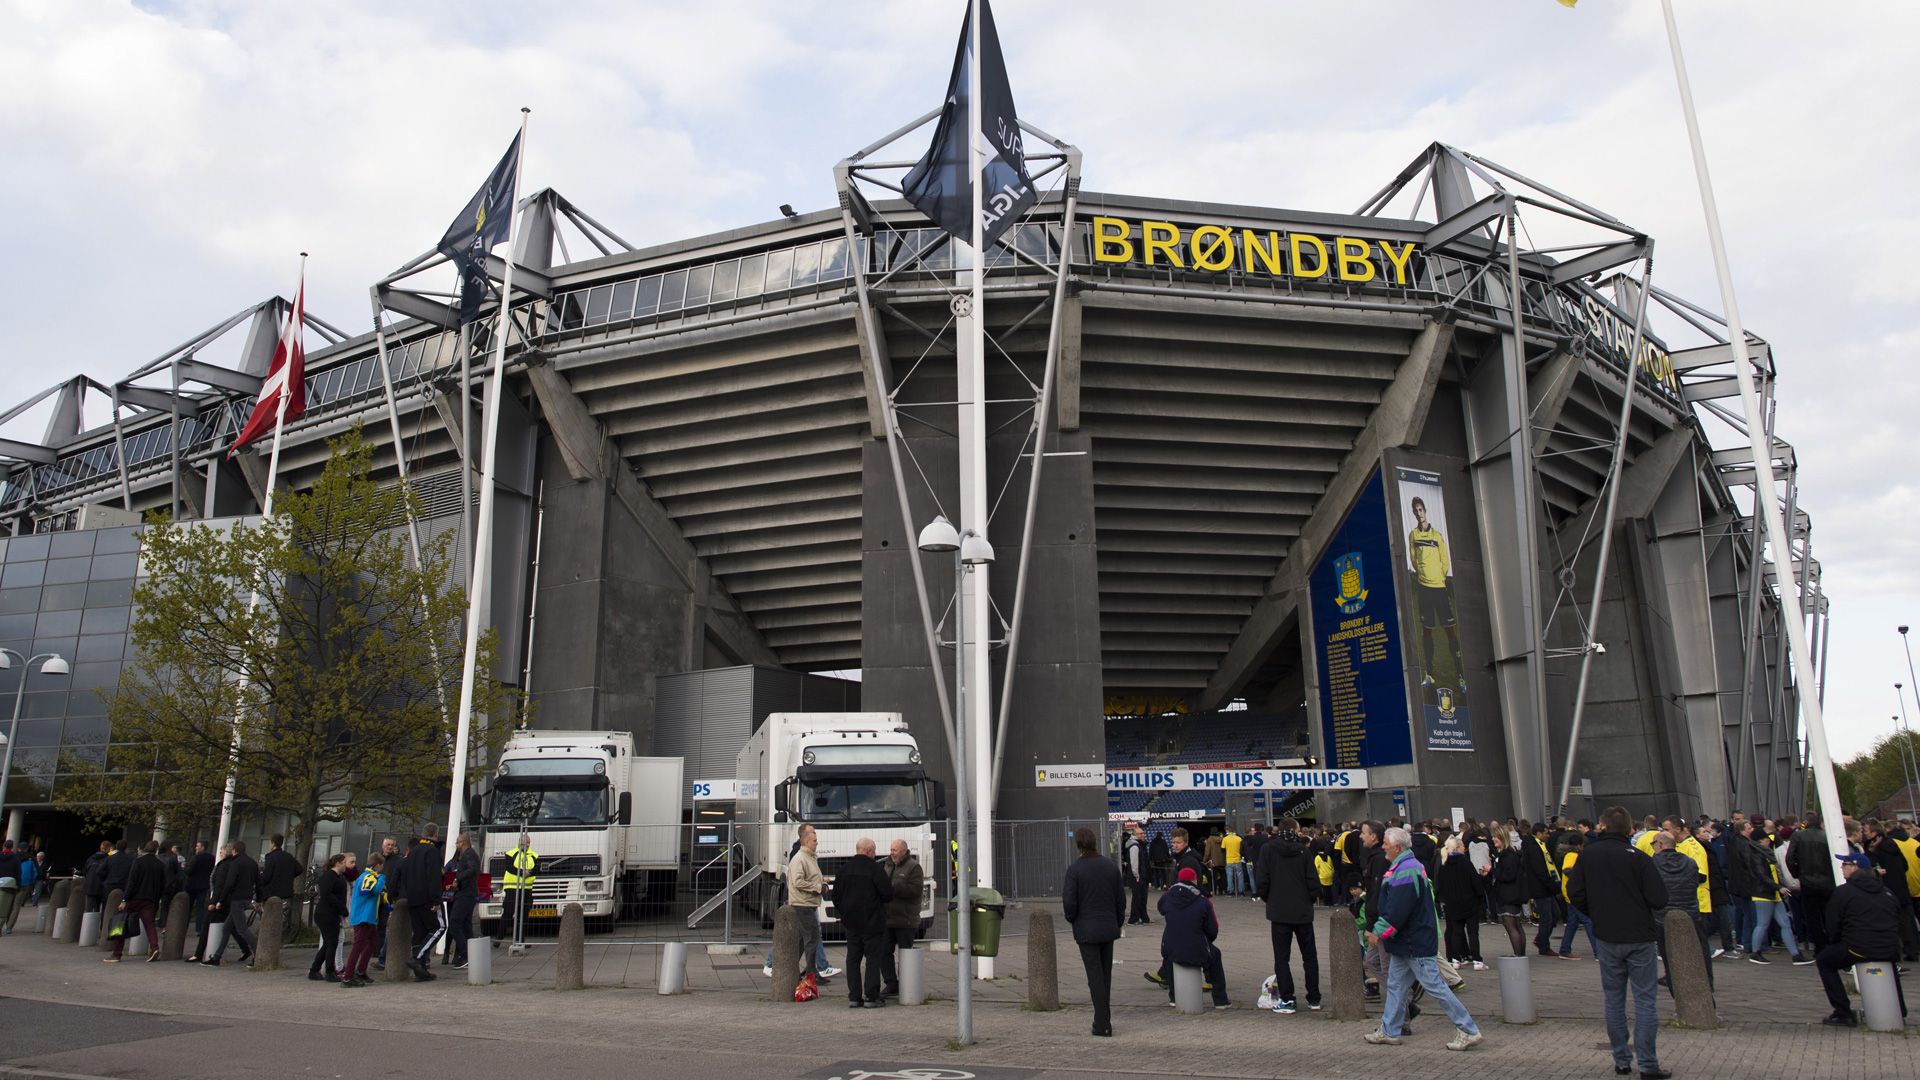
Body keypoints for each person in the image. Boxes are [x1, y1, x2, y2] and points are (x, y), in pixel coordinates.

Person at [1567, 806, 1670, 1080]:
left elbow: (1574, 892)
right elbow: (1659, 898)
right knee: (1645, 999)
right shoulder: (1639, 858)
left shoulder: (1588, 855)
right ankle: (1648, 1063)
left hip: (1607, 934)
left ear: (1602, 826)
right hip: (1639, 935)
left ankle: (1621, 1059)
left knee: (1613, 998)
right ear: (1629, 829)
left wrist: (1595, 912)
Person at [1362, 827, 1482, 1051]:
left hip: (1413, 941)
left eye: (1386, 844)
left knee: (1434, 986)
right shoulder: (1407, 866)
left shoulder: (1405, 870)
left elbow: (1398, 909)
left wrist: (1378, 931)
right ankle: (1389, 1029)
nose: (1383, 847)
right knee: (1396, 985)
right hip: (1408, 941)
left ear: (1397, 847)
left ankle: (1468, 1029)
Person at [1816, 852, 1906, 1026]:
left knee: (1824, 961)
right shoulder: (1886, 891)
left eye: (1845, 865)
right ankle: (1899, 1010)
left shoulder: (1843, 892)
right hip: (1890, 947)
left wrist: (1837, 942)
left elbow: (1833, 925)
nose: (1841, 868)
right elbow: (1898, 918)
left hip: (1858, 947)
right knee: (1888, 963)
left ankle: (1843, 1012)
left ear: (1855, 868)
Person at [1254, 816, 1320, 1014]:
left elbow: (1262, 880)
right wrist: (1309, 899)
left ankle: (1287, 997)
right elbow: (1313, 881)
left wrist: (1270, 899)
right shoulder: (1303, 850)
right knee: (1310, 957)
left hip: (1279, 911)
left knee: (1282, 958)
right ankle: (1314, 997)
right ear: (1295, 830)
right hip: (1302, 911)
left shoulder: (1268, 849)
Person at [1062, 826, 1124, 1036]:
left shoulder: (1075, 870)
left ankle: (1102, 1022)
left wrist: (1073, 919)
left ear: (1078, 845)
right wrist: (1117, 922)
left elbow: (1069, 902)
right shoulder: (1110, 867)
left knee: (1094, 976)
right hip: (1108, 927)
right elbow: (1120, 900)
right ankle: (1103, 1020)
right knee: (1105, 975)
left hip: (1087, 929)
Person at [1407, 496, 1465, 692]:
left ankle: (1461, 676)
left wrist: (1438, 578)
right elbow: (1414, 560)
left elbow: (1445, 560)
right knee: (1427, 631)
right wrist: (1424, 575)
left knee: (1450, 631)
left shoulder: (1437, 535)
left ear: (1425, 511)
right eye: (1415, 511)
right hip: (1424, 589)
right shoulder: (1413, 535)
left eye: (1420, 510)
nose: (1418, 513)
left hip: (1439, 588)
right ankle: (1430, 674)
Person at [829, 837, 893, 1008]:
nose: (875, 854)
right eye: (874, 850)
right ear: (869, 851)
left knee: (852, 959)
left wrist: (845, 912)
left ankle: (854, 997)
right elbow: (887, 894)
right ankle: (871, 996)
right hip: (872, 922)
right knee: (873, 959)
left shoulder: (844, 870)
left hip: (851, 922)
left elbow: (835, 896)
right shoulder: (876, 869)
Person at [1158, 867, 1231, 1009]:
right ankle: (1220, 1000)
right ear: (1195, 880)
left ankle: (1174, 997)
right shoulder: (1203, 901)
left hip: (1170, 946)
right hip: (1196, 947)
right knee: (1215, 955)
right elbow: (1212, 930)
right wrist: (1206, 940)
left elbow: (1161, 909)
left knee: (1171, 956)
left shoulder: (1167, 897)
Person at [1650, 833, 1712, 992]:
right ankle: (1707, 982)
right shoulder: (1690, 862)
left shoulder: (1653, 863)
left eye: (1653, 844)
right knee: (1699, 949)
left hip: (1663, 915)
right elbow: (1695, 882)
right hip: (1690, 912)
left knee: (1668, 953)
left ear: (1660, 844)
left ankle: (1674, 983)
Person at [1744, 826, 1804, 964]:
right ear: (1760, 841)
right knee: (1763, 924)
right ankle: (1755, 953)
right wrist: (1779, 887)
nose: (1769, 841)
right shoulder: (1757, 855)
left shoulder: (1762, 853)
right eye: (1766, 839)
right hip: (1764, 894)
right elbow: (1762, 876)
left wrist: (1778, 887)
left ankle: (1795, 955)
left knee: (1784, 924)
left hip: (1772, 893)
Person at [396, 824, 445, 980]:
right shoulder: (432, 851)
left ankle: (421, 970)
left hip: (412, 898)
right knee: (439, 927)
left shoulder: (413, 851)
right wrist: (436, 899)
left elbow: (405, 874)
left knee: (419, 932)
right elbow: (433, 877)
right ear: (435, 834)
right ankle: (417, 957)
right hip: (427, 898)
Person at [106, 841, 166, 963]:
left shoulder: (138, 862)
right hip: (150, 899)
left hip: (135, 898)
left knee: (122, 923)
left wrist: (124, 899)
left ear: (145, 849)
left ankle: (117, 954)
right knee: (149, 925)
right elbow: (162, 884)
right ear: (156, 850)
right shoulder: (160, 865)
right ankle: (154, 947)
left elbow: (132, 882)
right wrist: (157, 898)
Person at [203, 840, 259, 967]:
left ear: (234, 851)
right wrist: (259, 899)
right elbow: (258, 881)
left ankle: (258, 952)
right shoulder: (252, 863)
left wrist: (221, 900)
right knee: (227, 928)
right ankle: (217, 956)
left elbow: (229, 884)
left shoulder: (235, 863)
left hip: (236, 899)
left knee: (242, 929)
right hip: (247, 897)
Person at [879, 838, 924, 999]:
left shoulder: (914, 867)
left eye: (895, 850)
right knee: (884, 952)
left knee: (905, 954)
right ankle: (891, 983)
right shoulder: (887, 864)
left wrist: (893, 887)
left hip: (906, 919)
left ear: (904, 851)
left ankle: (906, 984)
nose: (892, 853)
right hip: (888, 918)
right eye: (891, 849)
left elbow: (916, 890)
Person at [1786, 812, 1834, 955]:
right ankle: (1830, 942)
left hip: (1807, 880)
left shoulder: (1798, 836)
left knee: (1812, 915)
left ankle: (1819, 945)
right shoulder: (1827, 837)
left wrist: (1797, 873)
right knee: (1828, 913)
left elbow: (1790, 858)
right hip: (1827, 881)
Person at [1435, 836, 1485, 970]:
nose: (1465, 848)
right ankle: (1477, 960)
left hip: (1453, 904)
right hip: (1469, 902)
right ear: (1457, 848)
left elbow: (1441, 885)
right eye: (1462, 845)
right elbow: (1475, 882)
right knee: (1473, 932)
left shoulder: (1444, 864)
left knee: (1456, 932)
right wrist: (1480, 896)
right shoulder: (1466, 863)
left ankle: (1455, 959)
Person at [787, 824, 825, 987]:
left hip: (807, 903)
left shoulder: (810, 857)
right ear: (807, 841)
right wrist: (817, 887)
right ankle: (810, 972)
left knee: (805, 939)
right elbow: (798, 881)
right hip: (802, 904)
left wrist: (821, 882)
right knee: (812, 937)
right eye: (814, 840)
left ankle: (797, 970)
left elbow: (809, 877)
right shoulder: (800, 858)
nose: (817, 843)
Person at [342, 852, 384, 987]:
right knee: (358, 947)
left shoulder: (366, 876)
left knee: (372, 943)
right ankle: (348, 976)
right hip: (363, 917)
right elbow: (372, 890)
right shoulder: (369, 877)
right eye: (381, 866)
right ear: (377, 865)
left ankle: (361, 970)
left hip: (368, 917)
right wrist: (381, 880)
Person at [310, 852, 351, 982]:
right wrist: (342, 908)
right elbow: (327, 894)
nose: (345, 866)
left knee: (329, 943)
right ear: (337, 863)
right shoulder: (329, 876)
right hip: (326, 914)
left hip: (332, 913)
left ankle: (315, 970)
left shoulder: (339, 877)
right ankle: (329, 972)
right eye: (343, 863)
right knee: (331, 943)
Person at [1557, 831, 1598, 959]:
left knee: (1572, 923)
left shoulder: (1571, 855)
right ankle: (1598, 952)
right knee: (1588, 921)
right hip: (1574, 893)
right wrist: (1582, 875)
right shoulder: (1572, 855)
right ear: (1579, 845)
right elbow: (1567, 870)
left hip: (1570, 893)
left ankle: (1564, 949)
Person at [1488, 830, 1528, 957]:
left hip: (1509, 895)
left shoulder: (1508, 856)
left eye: (1496, 837)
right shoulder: (1506, 854)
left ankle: (1518, 955)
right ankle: (1520, 955)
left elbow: (1508, 876)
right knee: (1516, 925)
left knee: (1511, 926)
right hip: (1511, 894)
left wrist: (1492, 870)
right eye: (1493, 837)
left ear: (1502, 838)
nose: (1493, 839)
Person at [444, 833, 481, 970]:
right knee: (466, 925)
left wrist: (457, 879)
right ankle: (470, 956)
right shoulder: (469, 854)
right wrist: (456, 885)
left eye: (457, 842)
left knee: (454, 923)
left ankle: (464, 953)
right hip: (466, 892)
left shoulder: (468, 854)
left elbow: (473, 870)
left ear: (463, 843)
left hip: (465, 895)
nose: (456, 845)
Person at [493, 831, 536, 946]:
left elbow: (536, 869)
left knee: (523, 915)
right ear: (519, 842)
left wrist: (529, 873)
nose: (526, 845)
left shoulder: (534, 855)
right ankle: (499, 939)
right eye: (524, 843)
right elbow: (509, 868)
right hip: (512, 887)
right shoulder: (511, 854)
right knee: (508, 913)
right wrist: (522, 872)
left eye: (528, 843)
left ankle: (520, 940)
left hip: (526, 888)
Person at [257, 833, 301, 936]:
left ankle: (268, 933)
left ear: (272, 843)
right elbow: (299, 869)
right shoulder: (288, 856)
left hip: (272, 891)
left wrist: (259, 882)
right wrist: (288, 877)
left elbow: (267, 876)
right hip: (286, 890)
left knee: (268, 913)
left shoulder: (270, 857)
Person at [182, 841, 215, 962]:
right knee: (201, 907)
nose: (196, 848)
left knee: (189, 907)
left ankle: (184, 926)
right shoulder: (211, 858)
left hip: (192, 885)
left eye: (198, 846)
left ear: (203, 847)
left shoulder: (195, 858)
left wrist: (185, 868)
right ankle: (199, 928)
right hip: (203, 885)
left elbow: (189, 871)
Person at [1120, 821, 1150, 925]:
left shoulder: (1138, 845)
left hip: (1139, 875)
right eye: (1140, 833)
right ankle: (1134, 919)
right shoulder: (1135, 846)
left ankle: (1142, 917)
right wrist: (1137, 875)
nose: (1143, 835)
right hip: (1137, 876)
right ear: (1135, 835)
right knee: (1137, 897)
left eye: (1143, 833)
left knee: (1141, 897)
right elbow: (1134, 863)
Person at [82, 840, 110, 912]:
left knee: (88, 909)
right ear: (108, 849)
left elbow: (85, 871)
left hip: (90, 886)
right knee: (99, 909)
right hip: (101, 886)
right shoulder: (108, 859)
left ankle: (87, 919)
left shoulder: (90, 858)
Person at [0, 840, 22, 933]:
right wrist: (18, 885)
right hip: (9, 886)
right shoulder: (15, 858)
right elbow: (18, 873)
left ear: (3, 846)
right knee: (4, 908)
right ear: (12, 847)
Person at [1221, 826, 1245, 897]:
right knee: (1240, 876)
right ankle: (1241, 892)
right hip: (1237, 859)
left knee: (1229, 876)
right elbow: (1242, 848)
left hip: (1229, 860)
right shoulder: (1239, 838)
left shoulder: (1225, 839)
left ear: (1227, 831)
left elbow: (1222, 849)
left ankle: (1230, 892)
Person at [1204, 830, 1226, 896]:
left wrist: (1204, 860)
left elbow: (1207, 852)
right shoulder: (1222, 839)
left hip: (1214, 862)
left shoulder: (1209, 840)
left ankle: (1215, 891)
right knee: (1223, 876)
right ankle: (1223, 890)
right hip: (1222, 861)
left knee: (1214, 877)